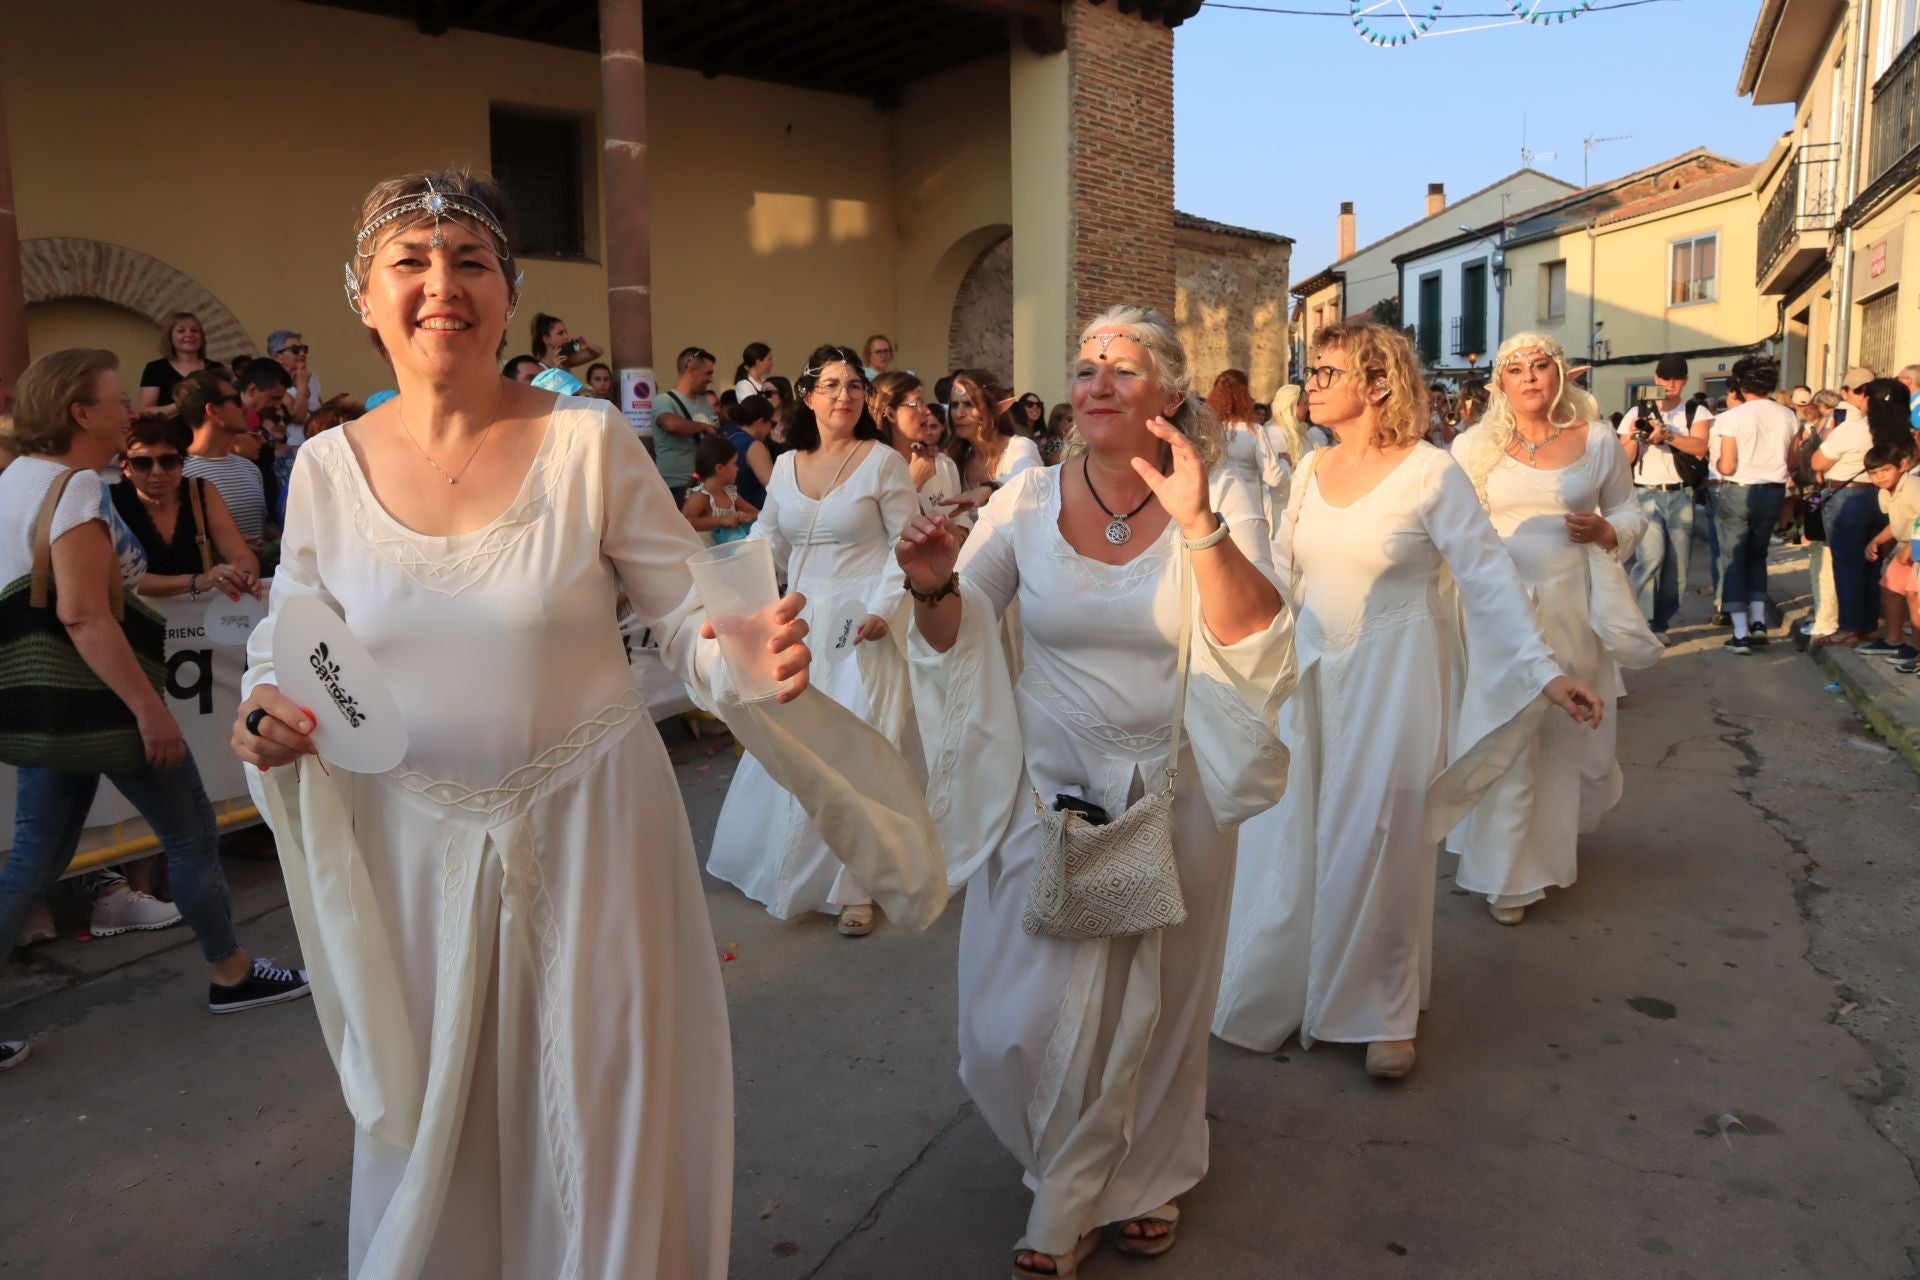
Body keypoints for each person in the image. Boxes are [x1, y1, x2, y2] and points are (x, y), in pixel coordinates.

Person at [229, 170, 815, 1278]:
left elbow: (686, 607)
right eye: (410, 262)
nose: (441, 286)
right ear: (364, 295)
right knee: (436, 1127)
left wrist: (732, 646)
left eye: (470, 263)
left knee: (597, 1111)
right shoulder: (323, 469)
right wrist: (265, 710)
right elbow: (288, 638)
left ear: (509, 292)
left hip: (593, 830)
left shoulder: (587, 441)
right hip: (413, 850)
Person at [897, 306, 1292, 1275]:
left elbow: (1255, 626)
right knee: (1013, 1013)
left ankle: (1136, 1180)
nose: (1098, 382)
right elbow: (964, 623)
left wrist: (1198, 525)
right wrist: (932, 589)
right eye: (1084, 368)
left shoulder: (1222, 485)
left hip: (1175, 785)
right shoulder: (1027, 498)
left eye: (1122, 367)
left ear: (1167, 389)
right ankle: (1066, 1157)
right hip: (1047, 787)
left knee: (1155, 1007)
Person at [1213, 322, 1601, 1079]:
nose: (1311, 384)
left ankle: (1383, 1011)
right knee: (1297, 830)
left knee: (1379, 836)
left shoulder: (1431, 471)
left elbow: (1488, 578)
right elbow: (1283, 577)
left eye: (1326, 371)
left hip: (1395, 679)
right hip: (1311, 673)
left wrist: (1544, 671)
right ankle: (1290, 987)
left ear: (1379, 385)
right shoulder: (1313, 467)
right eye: (1311, 371)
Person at [0, 349, 312, 1075]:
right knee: (190, 831)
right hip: (102, 704)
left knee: (35, 858)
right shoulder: (74, 489)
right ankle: (231, 973)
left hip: (49, 706)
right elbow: (84, 615)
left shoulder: (15, 480)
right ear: (81, 413)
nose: (130, 412)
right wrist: (150, 710)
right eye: (115, 402)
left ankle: (232, 970)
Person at [1445, 334, 1657, 924]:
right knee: (1510, 728)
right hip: (1495, 606)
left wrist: (1606, 532)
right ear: (1501, 383)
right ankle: (1506, 875)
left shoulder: (1598, 442)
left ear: (1560, 375)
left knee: (1562, 738)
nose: (1531, 377)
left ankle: (1547, 850)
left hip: (1572, 603)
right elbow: (1450, 528)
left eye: (1541, 366)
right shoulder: (1470, 447)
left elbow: (1631, 510)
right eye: (1516, 369)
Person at [706, 345, 918, 937]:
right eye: (830, 385)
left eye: (853, 385)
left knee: (851, 752)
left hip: (861, 626)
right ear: (807, 396)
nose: (844, 395)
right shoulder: (788, 463)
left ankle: (858, 886)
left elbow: (907, 544)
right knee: (796, 748)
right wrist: (724, 589)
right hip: (799, 622)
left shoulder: (882, 462)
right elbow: (766, 540)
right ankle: (779, 866)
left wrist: (882, 609)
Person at [112, 413, 261, 601]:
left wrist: (243, 577)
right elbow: (118, 577)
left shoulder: (200, 491)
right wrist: (197, 581)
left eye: (168, 461)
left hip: (196, 621)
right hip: (136, 622)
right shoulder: (111, 500)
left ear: (182, 463)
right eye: (143, 463)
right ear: (125, 467)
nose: (157, 472)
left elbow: (240, 554)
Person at [1709, 356, 1798, 654]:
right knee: (1758, 557)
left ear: (1741, 385)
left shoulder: (1732, 417)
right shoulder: (1787, 415)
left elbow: (1728, 465)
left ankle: (1740, 632)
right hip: (1773, 491)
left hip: (1739, 490)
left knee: (1733, 559)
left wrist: (1719, 462)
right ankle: (1759, 622)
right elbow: (1794, 461)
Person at [1619, 354, 1712, 638]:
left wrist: (1667, 436)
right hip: (1645, 492)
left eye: (1677, 378)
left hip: (1680, 494)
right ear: (1656, 379)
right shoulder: (1636, 413)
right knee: (1651, 558)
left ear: (1684, 380)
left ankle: (1661, 621)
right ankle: (1642, 621)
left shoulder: (1696, 411)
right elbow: (1622, 459)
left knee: (1677, 566)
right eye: (1665, 378)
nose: (1670, 384)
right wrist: (1636, 435)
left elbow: (1699, 446)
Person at [1810, 373, 1900, 646]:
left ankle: (1849, 628)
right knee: (1873, 562)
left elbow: (1817, 463)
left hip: (1849, 497)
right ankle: (1869, 626)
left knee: (1847, 563)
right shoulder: (1902, 431)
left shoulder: (1852, 429)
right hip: (1885, 497)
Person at [178, 371, 269, 548]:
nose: (244, 407)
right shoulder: (179, 472)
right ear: (213, 411)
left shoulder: (250, 468)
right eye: (235, 400)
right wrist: (228, 546)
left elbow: (261, 530)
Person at [1207, 368, 1292, 537]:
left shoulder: (1207, 432)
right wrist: (1285, 464)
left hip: (1213, 514)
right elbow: (1273, 477)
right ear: (1244, 397)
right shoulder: (1254, 431)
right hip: (1247, 514)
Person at [872, 370, 965, 521]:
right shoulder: (871, 468)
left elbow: (960, 514)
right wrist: (913, 483)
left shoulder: (941, 463)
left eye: (924, 403)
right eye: (917, 404)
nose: (927, 411)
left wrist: (961, 531)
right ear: (890, 414)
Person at [947, 368, 1041, 514]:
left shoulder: (1020, 447)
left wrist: (991, 488)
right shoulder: (954, 458)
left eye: (968, 404)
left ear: (992, 410)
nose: (958, 414)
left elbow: (1026, 477)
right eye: (954, 405)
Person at [1862, 441, 1920, 661]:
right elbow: (1897, 523)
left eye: (1886, 470)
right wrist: (1877, 540)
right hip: (1908, 545)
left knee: (1915, 595)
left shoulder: (1914, 487)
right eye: (1874, 473)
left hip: (1916, 546)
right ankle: (1894, 641)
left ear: (1902, 465)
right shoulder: (1885, 493)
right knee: (1890, 587)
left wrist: (1912, 547)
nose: (1880, 477)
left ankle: (1916, 648)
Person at [654, 346, 720, 505]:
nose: (712, 379)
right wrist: (703, 427)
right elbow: (669, 424)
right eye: (708, 373)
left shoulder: (705, 402)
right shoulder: (663, 401)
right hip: (675, 488)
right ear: (691, 370)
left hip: (706, 487)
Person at [681, 434, 758, 544]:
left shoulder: (731, 494)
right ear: (719, 468)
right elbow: (686, 522)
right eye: (734, 464)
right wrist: (721, 520)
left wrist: (747, 516)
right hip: (706, 554)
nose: (737, 469)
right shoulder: (701, 496)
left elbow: (756, 513)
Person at [137, 312, 210, 414]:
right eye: (181, 331)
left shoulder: (215, 368)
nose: (189, 334)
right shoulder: (155, 369)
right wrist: (181, 405)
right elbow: (145, 411)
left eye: (194, 330)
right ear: (169, 338)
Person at [724, 392, 775, 511]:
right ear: (761, 422)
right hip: (752, 514)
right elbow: (772, 486)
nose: (770, 430)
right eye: (772, 424)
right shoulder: (754, 446)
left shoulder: (731, 439)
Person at [267, 330, 320, 429]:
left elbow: (317, 408)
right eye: (295, 350)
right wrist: (302, 386)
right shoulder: (274, 383)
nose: (302, 353)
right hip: (295, 443)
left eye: (304, 349)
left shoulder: (311, 377)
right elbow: (298, 418)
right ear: (277, 357)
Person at [530, 311, 603, 370]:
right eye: (560, 333)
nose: (566, 337)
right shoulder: (538, 368)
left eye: (566, 333)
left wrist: (587, 346)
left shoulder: (566, 361)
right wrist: (555, 369)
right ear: (546, 339)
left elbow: (599, 352)